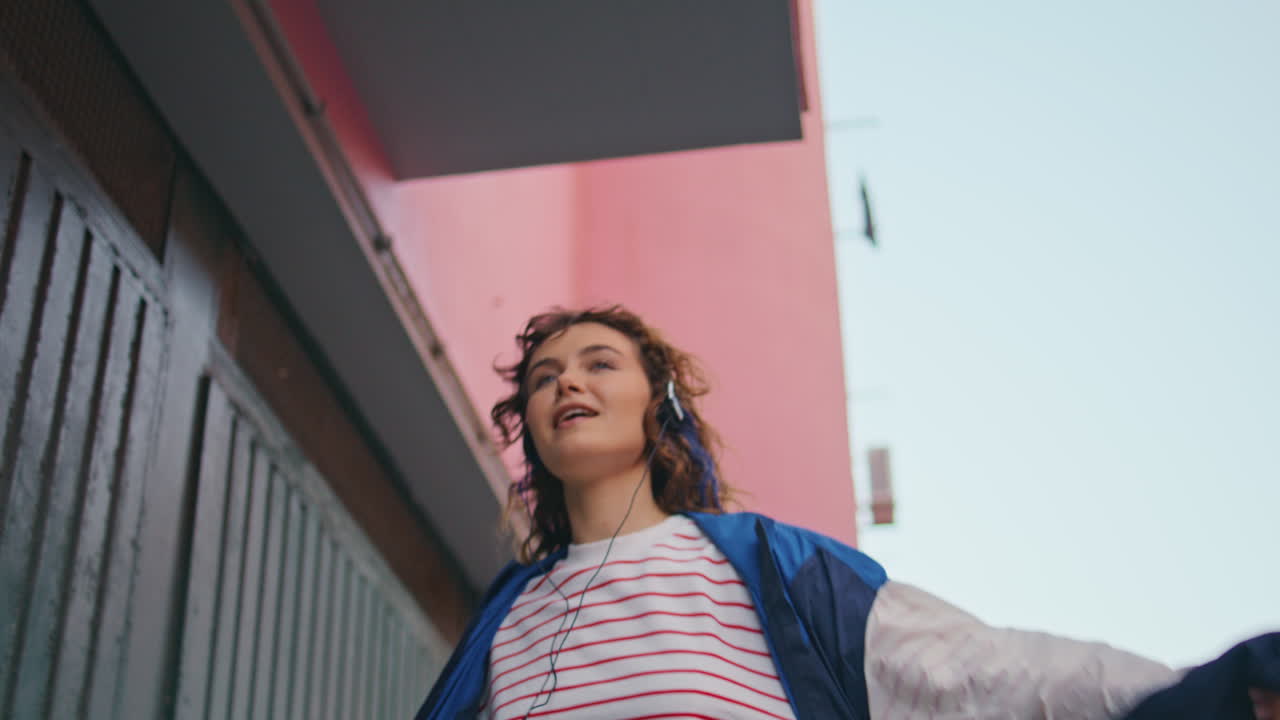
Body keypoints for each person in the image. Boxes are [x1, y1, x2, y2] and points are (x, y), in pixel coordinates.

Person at [417, 305, 1279, 719]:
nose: (566, 381)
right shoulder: (506, 621)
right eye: (543, 376)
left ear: (660, 405)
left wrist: (1214, 699)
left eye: (600, 363)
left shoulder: (768, 569)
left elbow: (972, 673)